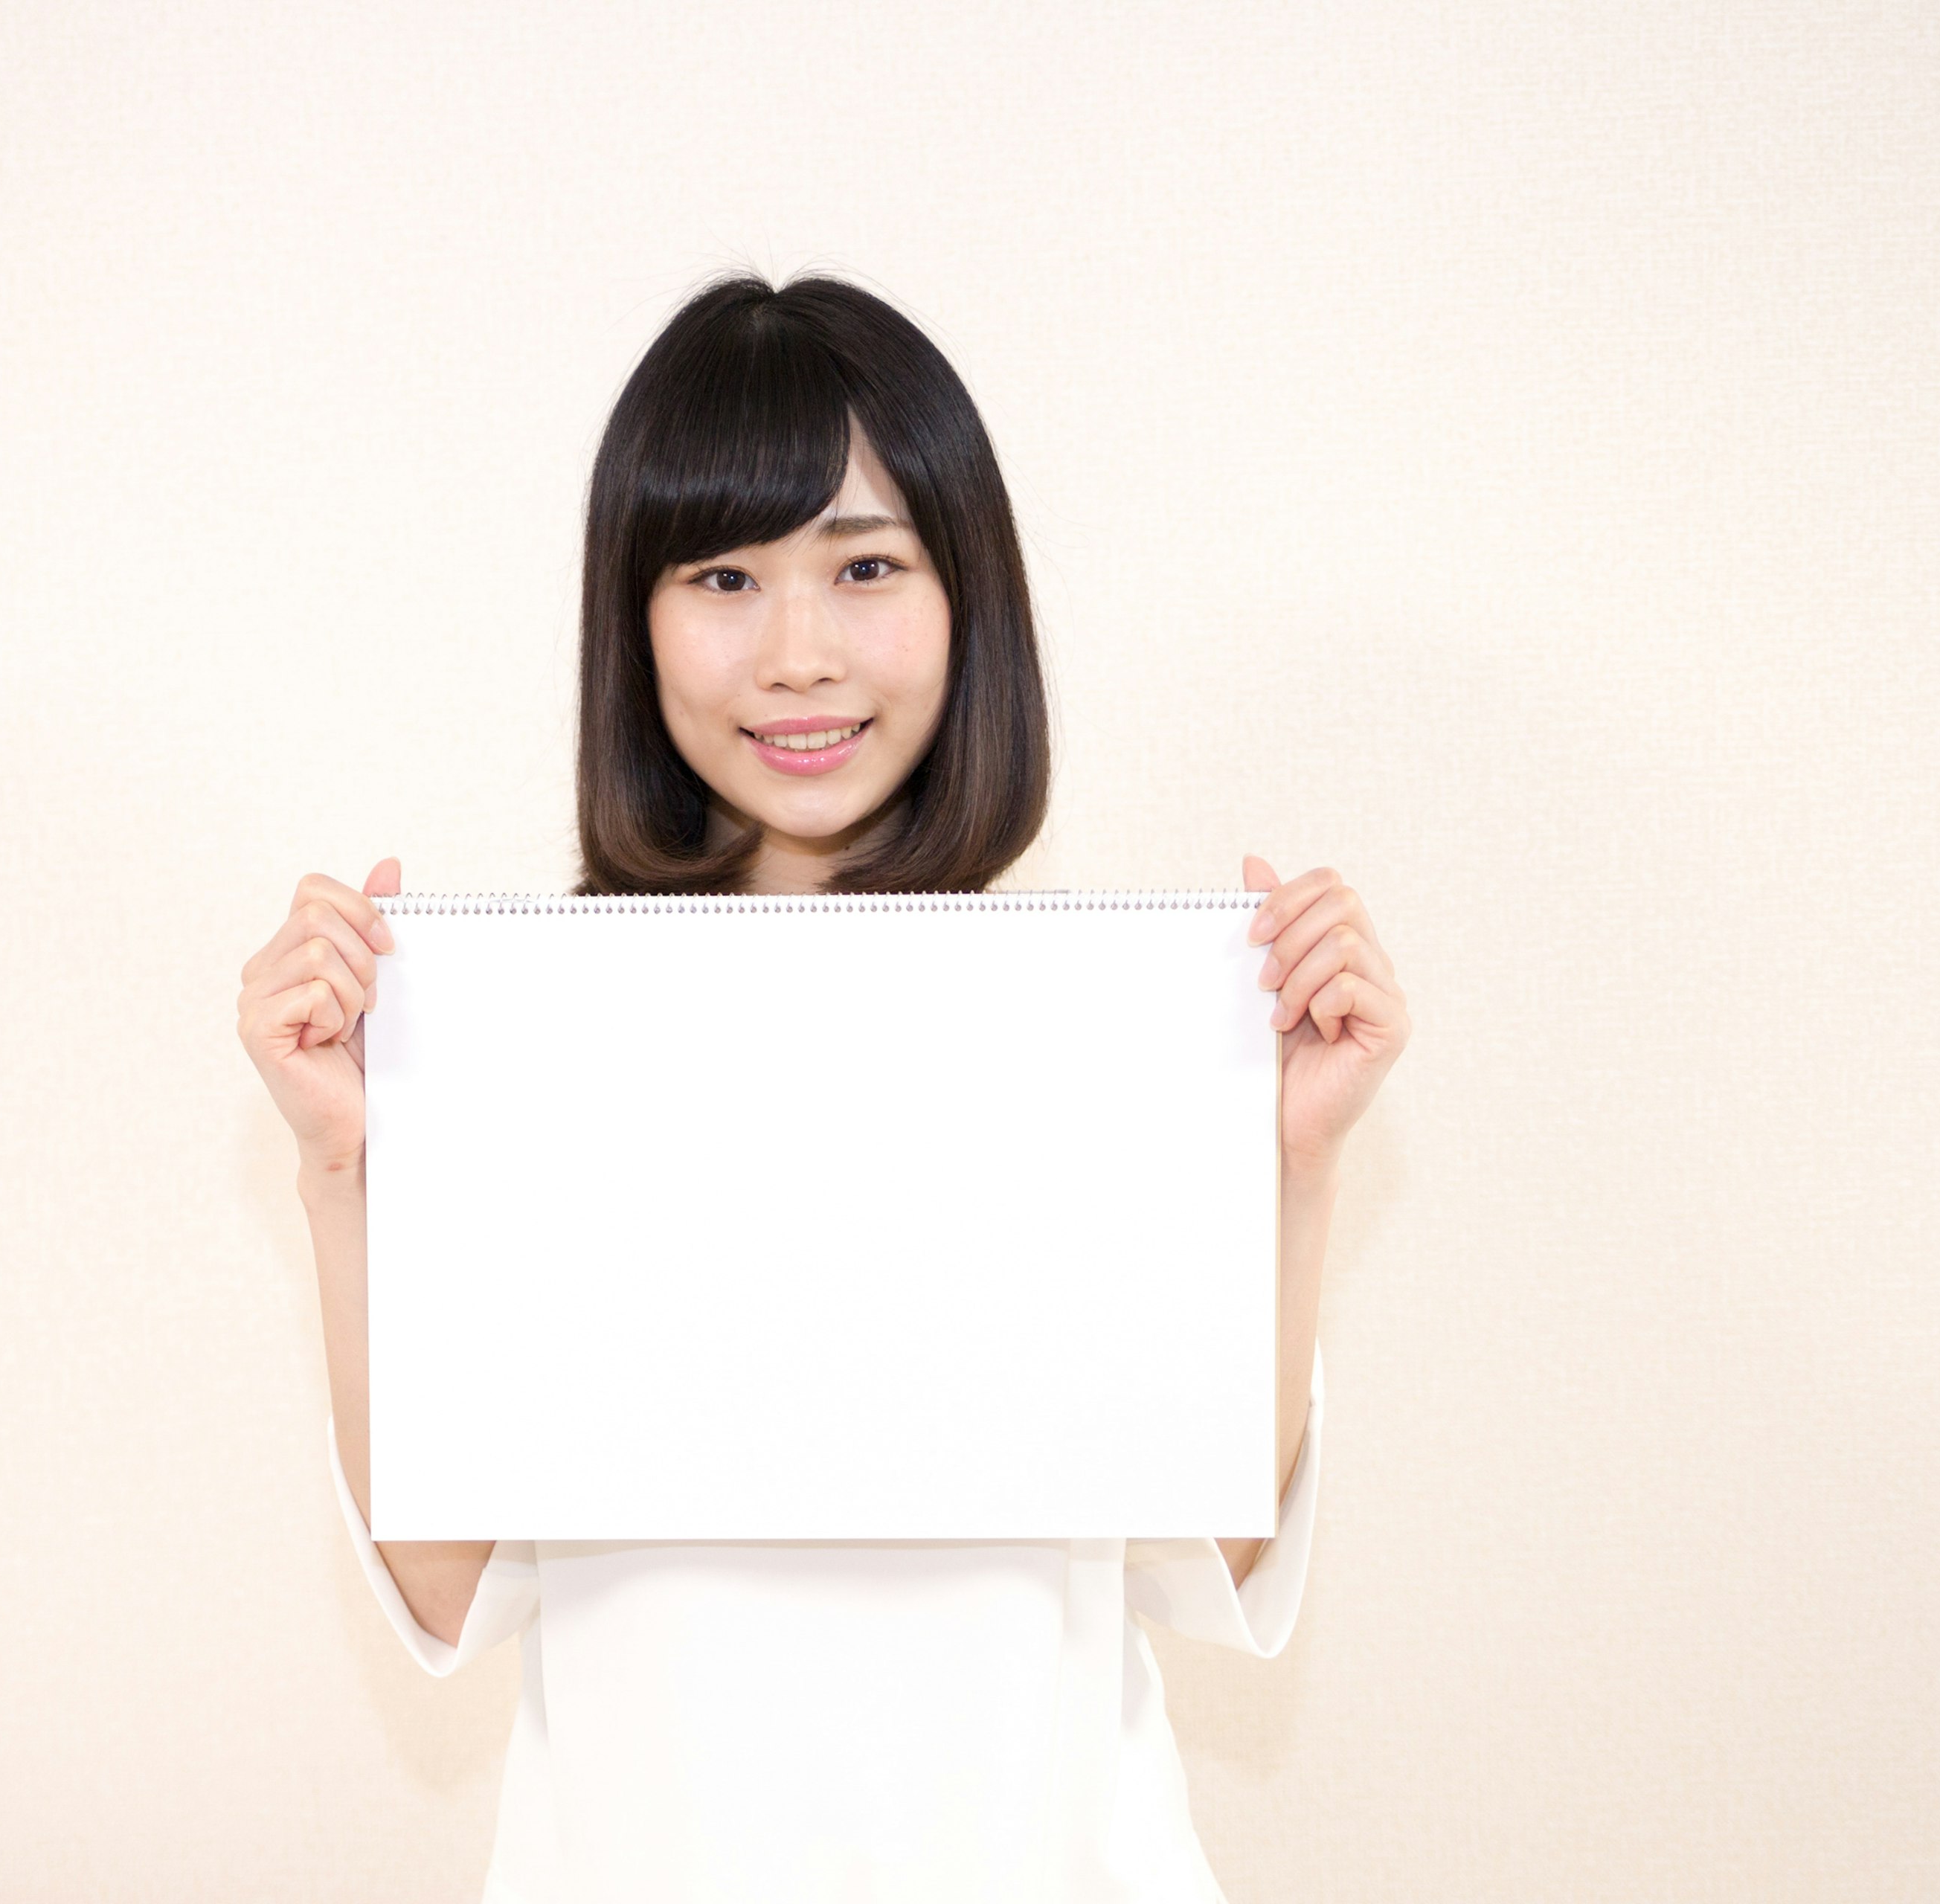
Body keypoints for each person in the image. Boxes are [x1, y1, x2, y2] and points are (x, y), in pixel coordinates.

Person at [236, 274, 1413, 1902]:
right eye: (724, 573)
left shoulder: (1102, 1023)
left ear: (964, 598)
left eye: (867, 565)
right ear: (632, 621)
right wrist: (344, 1170)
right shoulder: (531, 1029)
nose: (800, 653)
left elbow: (1211, 1547)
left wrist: (1288, 1161)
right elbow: (443, 1587)